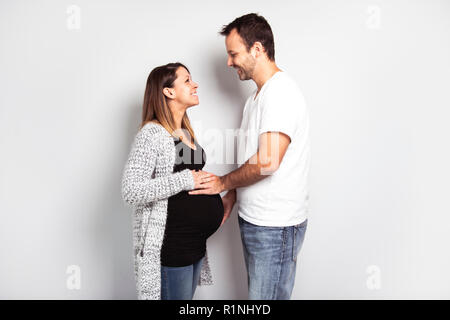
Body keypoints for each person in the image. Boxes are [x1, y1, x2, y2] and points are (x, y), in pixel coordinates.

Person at [189, 13, 311, 300]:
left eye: (233, 54)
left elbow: (267, 162)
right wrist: (233, 192)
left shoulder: (280, 93)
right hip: (258, 222)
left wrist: (223, 183)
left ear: (257, 49)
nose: (229, 62)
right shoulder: (256, 98)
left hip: (274, 227)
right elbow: (253, 157)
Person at [121, 62, 225, 300]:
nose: (195, 84)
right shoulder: (151, 134)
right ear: (168, 91)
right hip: (173, 247)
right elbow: (131, 191)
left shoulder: (184, 131)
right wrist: (185, 179)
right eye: (187, 80)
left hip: (194, 246)